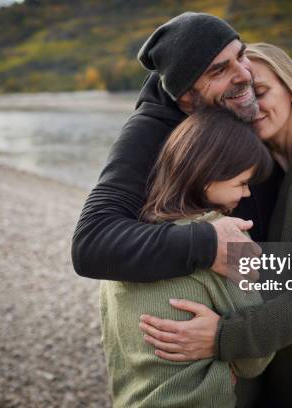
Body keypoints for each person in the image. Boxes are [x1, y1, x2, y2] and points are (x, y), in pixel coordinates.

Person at [139, 43, 292, 407]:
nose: (248, 106)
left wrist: (222, 336)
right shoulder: (259, 163)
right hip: (282, 360)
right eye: (239, 95)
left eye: (261, 92)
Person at [71, 12, 292, 285]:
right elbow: (91, 244)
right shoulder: (149, 132)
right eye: (219, 70)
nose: (244, 75)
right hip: (222, 301)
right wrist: (207, 242)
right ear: (185, 97)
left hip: (275, 292)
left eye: (241, 55)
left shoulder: (231, 104)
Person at [100, 108, 276, 407]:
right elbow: (255, 359)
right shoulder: (226, 240)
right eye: (242, 182)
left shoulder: (122, 246)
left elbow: (115, 342)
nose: (247, 194)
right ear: (209, 175)